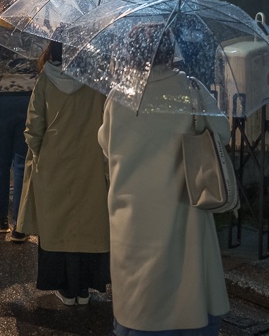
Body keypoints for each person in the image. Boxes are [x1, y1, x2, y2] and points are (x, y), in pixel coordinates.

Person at [98, 26, 230, 334]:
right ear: (170, 52)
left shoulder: (119, 95)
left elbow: (105, 143)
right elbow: (221, 134)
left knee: (137, 307)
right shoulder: (191, 91)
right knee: (187, 296)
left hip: (131, 219)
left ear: (131, 54)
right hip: (182, 210)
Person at [17, 39, 110, 306]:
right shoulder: (97, 81)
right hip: (91, 163)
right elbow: (108, 122)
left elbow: (33, 128)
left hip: (54, 164)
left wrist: (40, 154)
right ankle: (84, 288)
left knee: (57, 226)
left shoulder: (46, 80)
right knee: (89, 226)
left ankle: (65, 289)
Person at [0, 0, 38, 242]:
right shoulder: (34, 28)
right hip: (28, 100)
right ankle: (21, 226)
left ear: (1, 5)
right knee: (22, 163)